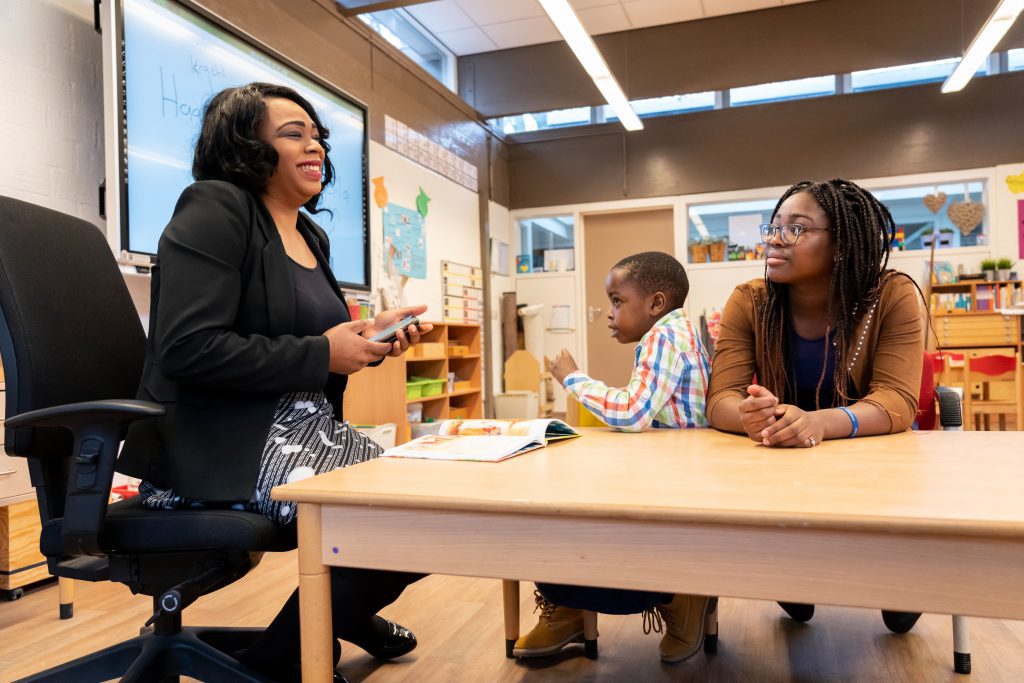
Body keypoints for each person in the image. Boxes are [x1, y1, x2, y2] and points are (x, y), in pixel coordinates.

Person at [117, 82, 430, 682]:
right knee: (397, 517)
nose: (314, 147)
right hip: (219, 445)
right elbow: (186, 348)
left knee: (433, 504)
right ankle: (283, 660)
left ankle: (301, 635)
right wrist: (321, 352)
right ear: (246, 147)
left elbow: (306, 342)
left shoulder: (309, 233)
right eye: (294, 135)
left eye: (317, 135)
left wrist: (366, 341)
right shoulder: (215, 207)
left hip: (304, 434)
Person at [706, 178, 926, 629]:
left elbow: (897, 401)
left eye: (796, 229)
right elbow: (720, 400)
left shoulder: (891, 295)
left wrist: (820, 423)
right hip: (784, 460)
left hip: (876, 460)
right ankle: (796, 570)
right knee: (792, 576)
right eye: (773, 227)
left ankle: (897, 567)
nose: (774, 239)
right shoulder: (750, 301)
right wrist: (749, 418)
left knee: (899, 602)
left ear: (841, 243)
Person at [513, 251, 715, 664]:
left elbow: (632, 412)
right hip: (667, 468)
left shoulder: (664, 338)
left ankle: (680, 595)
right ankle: (569, 608)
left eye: (617, 302)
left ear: (656, 304)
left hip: (672, 483)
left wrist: (573, 378)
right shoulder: (677, 333)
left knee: (560, 514)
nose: (609, 314)